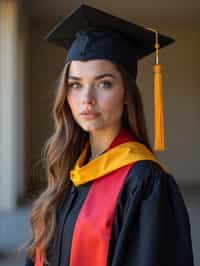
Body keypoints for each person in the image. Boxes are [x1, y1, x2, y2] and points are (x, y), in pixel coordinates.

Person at [24, 4, 194, 266]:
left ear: (126, 93)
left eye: (104, 83)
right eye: (75, 85)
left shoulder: (145, 184)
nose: (87, 99)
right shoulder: (68, 171)